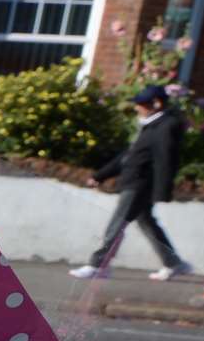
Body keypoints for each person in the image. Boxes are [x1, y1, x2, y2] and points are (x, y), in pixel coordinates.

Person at [71, 84, 191, 281]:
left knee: (117, 224)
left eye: (141, 104)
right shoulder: (150, 126)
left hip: (140, 184)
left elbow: (165, 159)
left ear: (157, 103)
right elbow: (128, 156)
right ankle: (173, 263)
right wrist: (100, 175)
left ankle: (98, 265)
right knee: (147, 223)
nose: (137, 108)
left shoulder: (165, 126)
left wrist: (162, 190)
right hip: (134, 181)